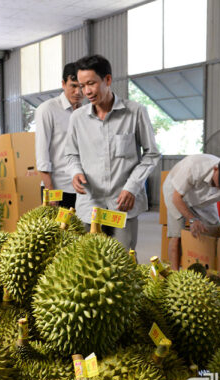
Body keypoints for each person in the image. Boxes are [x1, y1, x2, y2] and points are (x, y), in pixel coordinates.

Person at [64, 54, 161, 250]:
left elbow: (151, 154)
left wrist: (132, 187)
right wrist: (75, 172)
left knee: (122, 262)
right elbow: (70, 154)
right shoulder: (77, 118)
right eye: (82, 86)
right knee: (88, 262)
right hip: (90, 204)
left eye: (91, 83)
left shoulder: (135, 112)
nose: (87, 91)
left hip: (122, 205)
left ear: (107, 80)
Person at [162, 153, 220, 270]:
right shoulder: (194, 166)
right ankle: (174, 275)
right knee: (176, 236)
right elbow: (176, 198)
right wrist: (193, 219)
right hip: (177, 194)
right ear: (216, 169)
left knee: (215, 230)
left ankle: (213, 269)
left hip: (205, 198)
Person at [35, 62, 84, 208]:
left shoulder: (87, 112)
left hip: (82, 188)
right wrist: (50, 189)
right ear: (63, 84)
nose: (78, 92)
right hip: (58, 187)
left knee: (81, 230)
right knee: (59, 230)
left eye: (81, 86)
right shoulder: (47, 109)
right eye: (73, 86)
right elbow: (42, 153)